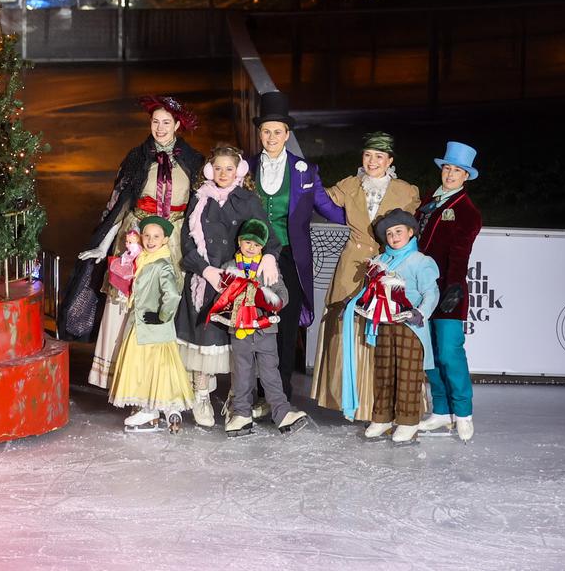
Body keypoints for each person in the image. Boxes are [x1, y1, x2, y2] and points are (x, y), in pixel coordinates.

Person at [63, 94, 205, 389]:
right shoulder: (137, 157)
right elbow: (121, 201)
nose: (161, 127)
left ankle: (169, 380)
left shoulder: (193, 161)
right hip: (136, 235)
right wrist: (104, 244)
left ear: (177, 124)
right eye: (156, 122)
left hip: (175, 239)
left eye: (167, 122)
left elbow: (201, 206)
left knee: (170, 301)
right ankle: (129, 378)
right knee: (129, 301)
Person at [244, 91, 346, 403]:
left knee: (286, 328)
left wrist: (372, 225)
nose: (271, 137)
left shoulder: (305, 171)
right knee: (250, 325)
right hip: (250, 257)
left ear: (287, 135)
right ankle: (251, 394)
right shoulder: (243, 168)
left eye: (277, 131)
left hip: (288, 257)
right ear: (259, 133)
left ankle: (280, 394)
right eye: (266, 131)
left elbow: (330, 208)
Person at [312, 132, 420, 418]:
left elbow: (410, 230)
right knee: (346, 321)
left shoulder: (406, 191)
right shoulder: (349, 185)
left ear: (390, 161)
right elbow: (320, 199)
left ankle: (382, 403)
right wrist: (306, 178)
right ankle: (349, 400)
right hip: (353, 264)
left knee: (386, 326)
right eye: (368, 155)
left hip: (390, 263)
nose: (373, 161)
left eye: (379, 157)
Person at [177, 145, 279, 428]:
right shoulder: (199, 200)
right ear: (210, 171)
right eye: (218, 168)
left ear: (239, 172)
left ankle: (239, 398)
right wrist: (205, 269)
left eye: (229, 168)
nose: (223, 173)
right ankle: (202, 395)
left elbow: (266, 235)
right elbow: (187, 241)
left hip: (237, 280)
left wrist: (269, 257)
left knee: (238, 346)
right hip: (205, 279)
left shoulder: (247, 200)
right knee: (204, 341)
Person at [352, 210, 440, 443]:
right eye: (389, 233)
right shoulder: (380, 261)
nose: (393, 237)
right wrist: (356, 305)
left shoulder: (421, 261)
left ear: (411, 232)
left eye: (398, 231)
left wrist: (420, 312)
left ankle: (408, 421)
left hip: (409, 327)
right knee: (384, 371)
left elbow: (431, 292)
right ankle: (382, 417)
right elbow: (370, 292)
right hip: (383, 325)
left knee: (408, 374)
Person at [415, 142, 483, 442]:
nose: (451, 174)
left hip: (447, 291)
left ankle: (463, 412)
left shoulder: (466, 211)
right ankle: (441, 411)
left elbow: (460, 253)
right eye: (447, 168)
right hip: (421, 290)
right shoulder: (430, 201)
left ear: (466, 176)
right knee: (429, 353)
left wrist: (454, 286)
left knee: (449, 352)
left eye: (457, 170)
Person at [214, 219, 308, 436]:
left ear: (262, 248)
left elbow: (283, 296)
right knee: (242, 374)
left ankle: (282, 412)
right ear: (239, 242)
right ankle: (241, 413)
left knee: (270, 374)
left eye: (256, 245)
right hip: (240, 331)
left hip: (265, 331)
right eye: (247, 242)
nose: (251, 248)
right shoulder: (230, 267)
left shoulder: (268, 269)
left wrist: (269, 300)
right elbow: (221, 295)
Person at [107, 216, 191, 433]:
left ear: (164, 240)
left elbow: (172, 295)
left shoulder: (161, 264)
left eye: (156, 237)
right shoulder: (144, 258)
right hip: (143, 326)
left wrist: (162, 316)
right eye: (147, 236)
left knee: (148, 367)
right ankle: (155, 409)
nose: (151, 240)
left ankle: (150, 408)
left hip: (152, 328)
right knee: (150, 368)